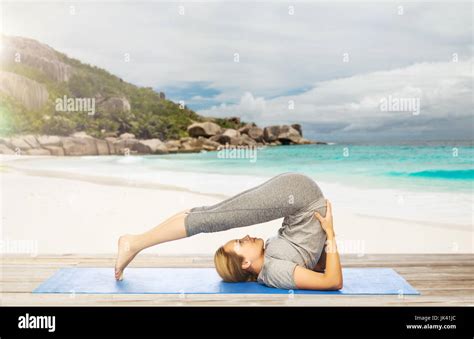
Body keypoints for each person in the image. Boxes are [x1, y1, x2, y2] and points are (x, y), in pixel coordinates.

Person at [114, 172, 342, 290]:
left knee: (211, 215)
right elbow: (330, 279)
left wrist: (325, 235)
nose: (245, 237)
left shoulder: (269, 257)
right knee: (211, 218)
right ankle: (133, 243)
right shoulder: (274, 271)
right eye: (240, 244)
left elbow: (313, 262)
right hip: (301, 196)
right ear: (245, 265)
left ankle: (134, 242)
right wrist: (329, 234)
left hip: (298, 195)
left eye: (239, 241)